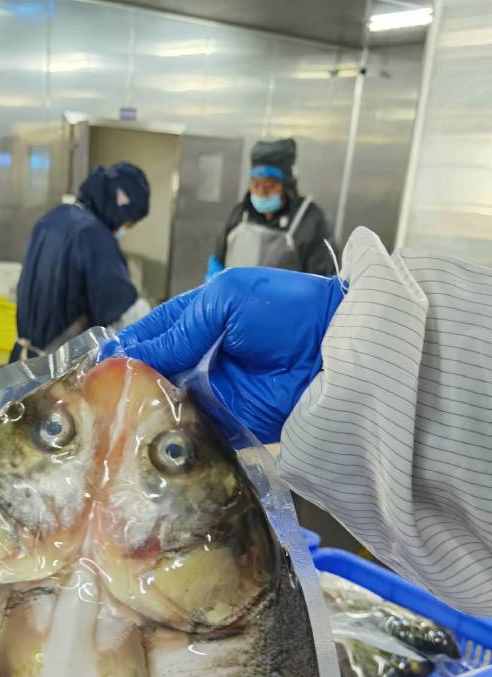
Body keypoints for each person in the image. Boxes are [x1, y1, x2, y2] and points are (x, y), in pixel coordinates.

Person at [115, 225, 492, 617]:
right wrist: (347, 338)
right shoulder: (237, 218)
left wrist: (338, 345)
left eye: (267, 180)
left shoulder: (307, 222)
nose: (261, 188)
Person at [12, 162, 151, 361]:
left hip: (25, 361)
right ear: (120, 207)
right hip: (59, 371)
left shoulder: (53, 219)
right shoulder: (93, 235)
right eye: (127, 223)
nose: (124, 229)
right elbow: (126, 315)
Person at [208, 138, 337, 278]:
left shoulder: (310, 221)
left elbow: (322, 280)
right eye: (255, 185)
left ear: (287, 185)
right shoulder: (240, 213)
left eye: (269, 186)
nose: (261, 193)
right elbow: (218, 260)